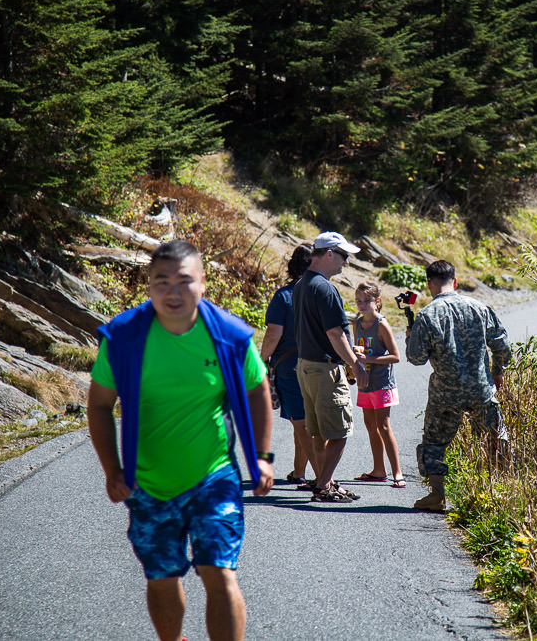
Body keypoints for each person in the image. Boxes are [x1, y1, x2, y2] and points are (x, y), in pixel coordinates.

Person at [87, 240, 273, 641]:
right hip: (148, 483)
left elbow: (258, 389)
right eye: (162, 281)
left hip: (214, 476)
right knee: (162, 576)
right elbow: (99, 404)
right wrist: (112, 470)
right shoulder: (123, 339)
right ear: (148, 286)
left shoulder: (228, 336)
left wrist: (262, 457)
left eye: (184, 281)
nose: (173, 292)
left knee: (219, 571)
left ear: (203, 283)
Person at [406, 260, 512, 512]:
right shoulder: (479, 308)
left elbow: (416, 358)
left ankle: (437, 496)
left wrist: (411, 338)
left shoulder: (427, 315)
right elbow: (502, 345)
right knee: (494, 437)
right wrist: (498, 372)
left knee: (434, 442)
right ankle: (499, 494)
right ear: (454, 282)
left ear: (430, 284)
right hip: (480, 388)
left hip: (445, 391)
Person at [292, 232, 368, 503]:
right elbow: (335, 333)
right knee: (339, 432)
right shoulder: (325, 288)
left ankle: (326, 481)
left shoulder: (301, 284)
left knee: (318, 432)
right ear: (329, 254)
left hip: (306, 366)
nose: (345, 262)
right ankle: (324, 486)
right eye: (344, 256)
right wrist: (355, 364)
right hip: (325, 369)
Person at [260, 243, 318, 487]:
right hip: (320, 364)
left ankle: (324, 479)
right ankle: (299, 471)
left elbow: (273, 334)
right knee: (305, 422)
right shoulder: (323, 292)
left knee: (301, 423)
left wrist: (262, 359)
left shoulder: (284, 296)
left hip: (290, 366)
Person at [351, 282, 404, 488]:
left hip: (382, 383)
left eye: (367, 301)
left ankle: (397, 473)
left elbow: (396, 356)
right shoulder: (357, 323)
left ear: (377, 301)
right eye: (358, 301)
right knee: (370, 426)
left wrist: (369, 359)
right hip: (365, 383)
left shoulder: (381, 325)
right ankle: (379, 470)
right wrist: (353, 369)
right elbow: (358, 351)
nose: (362, 305)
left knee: (383, 426)